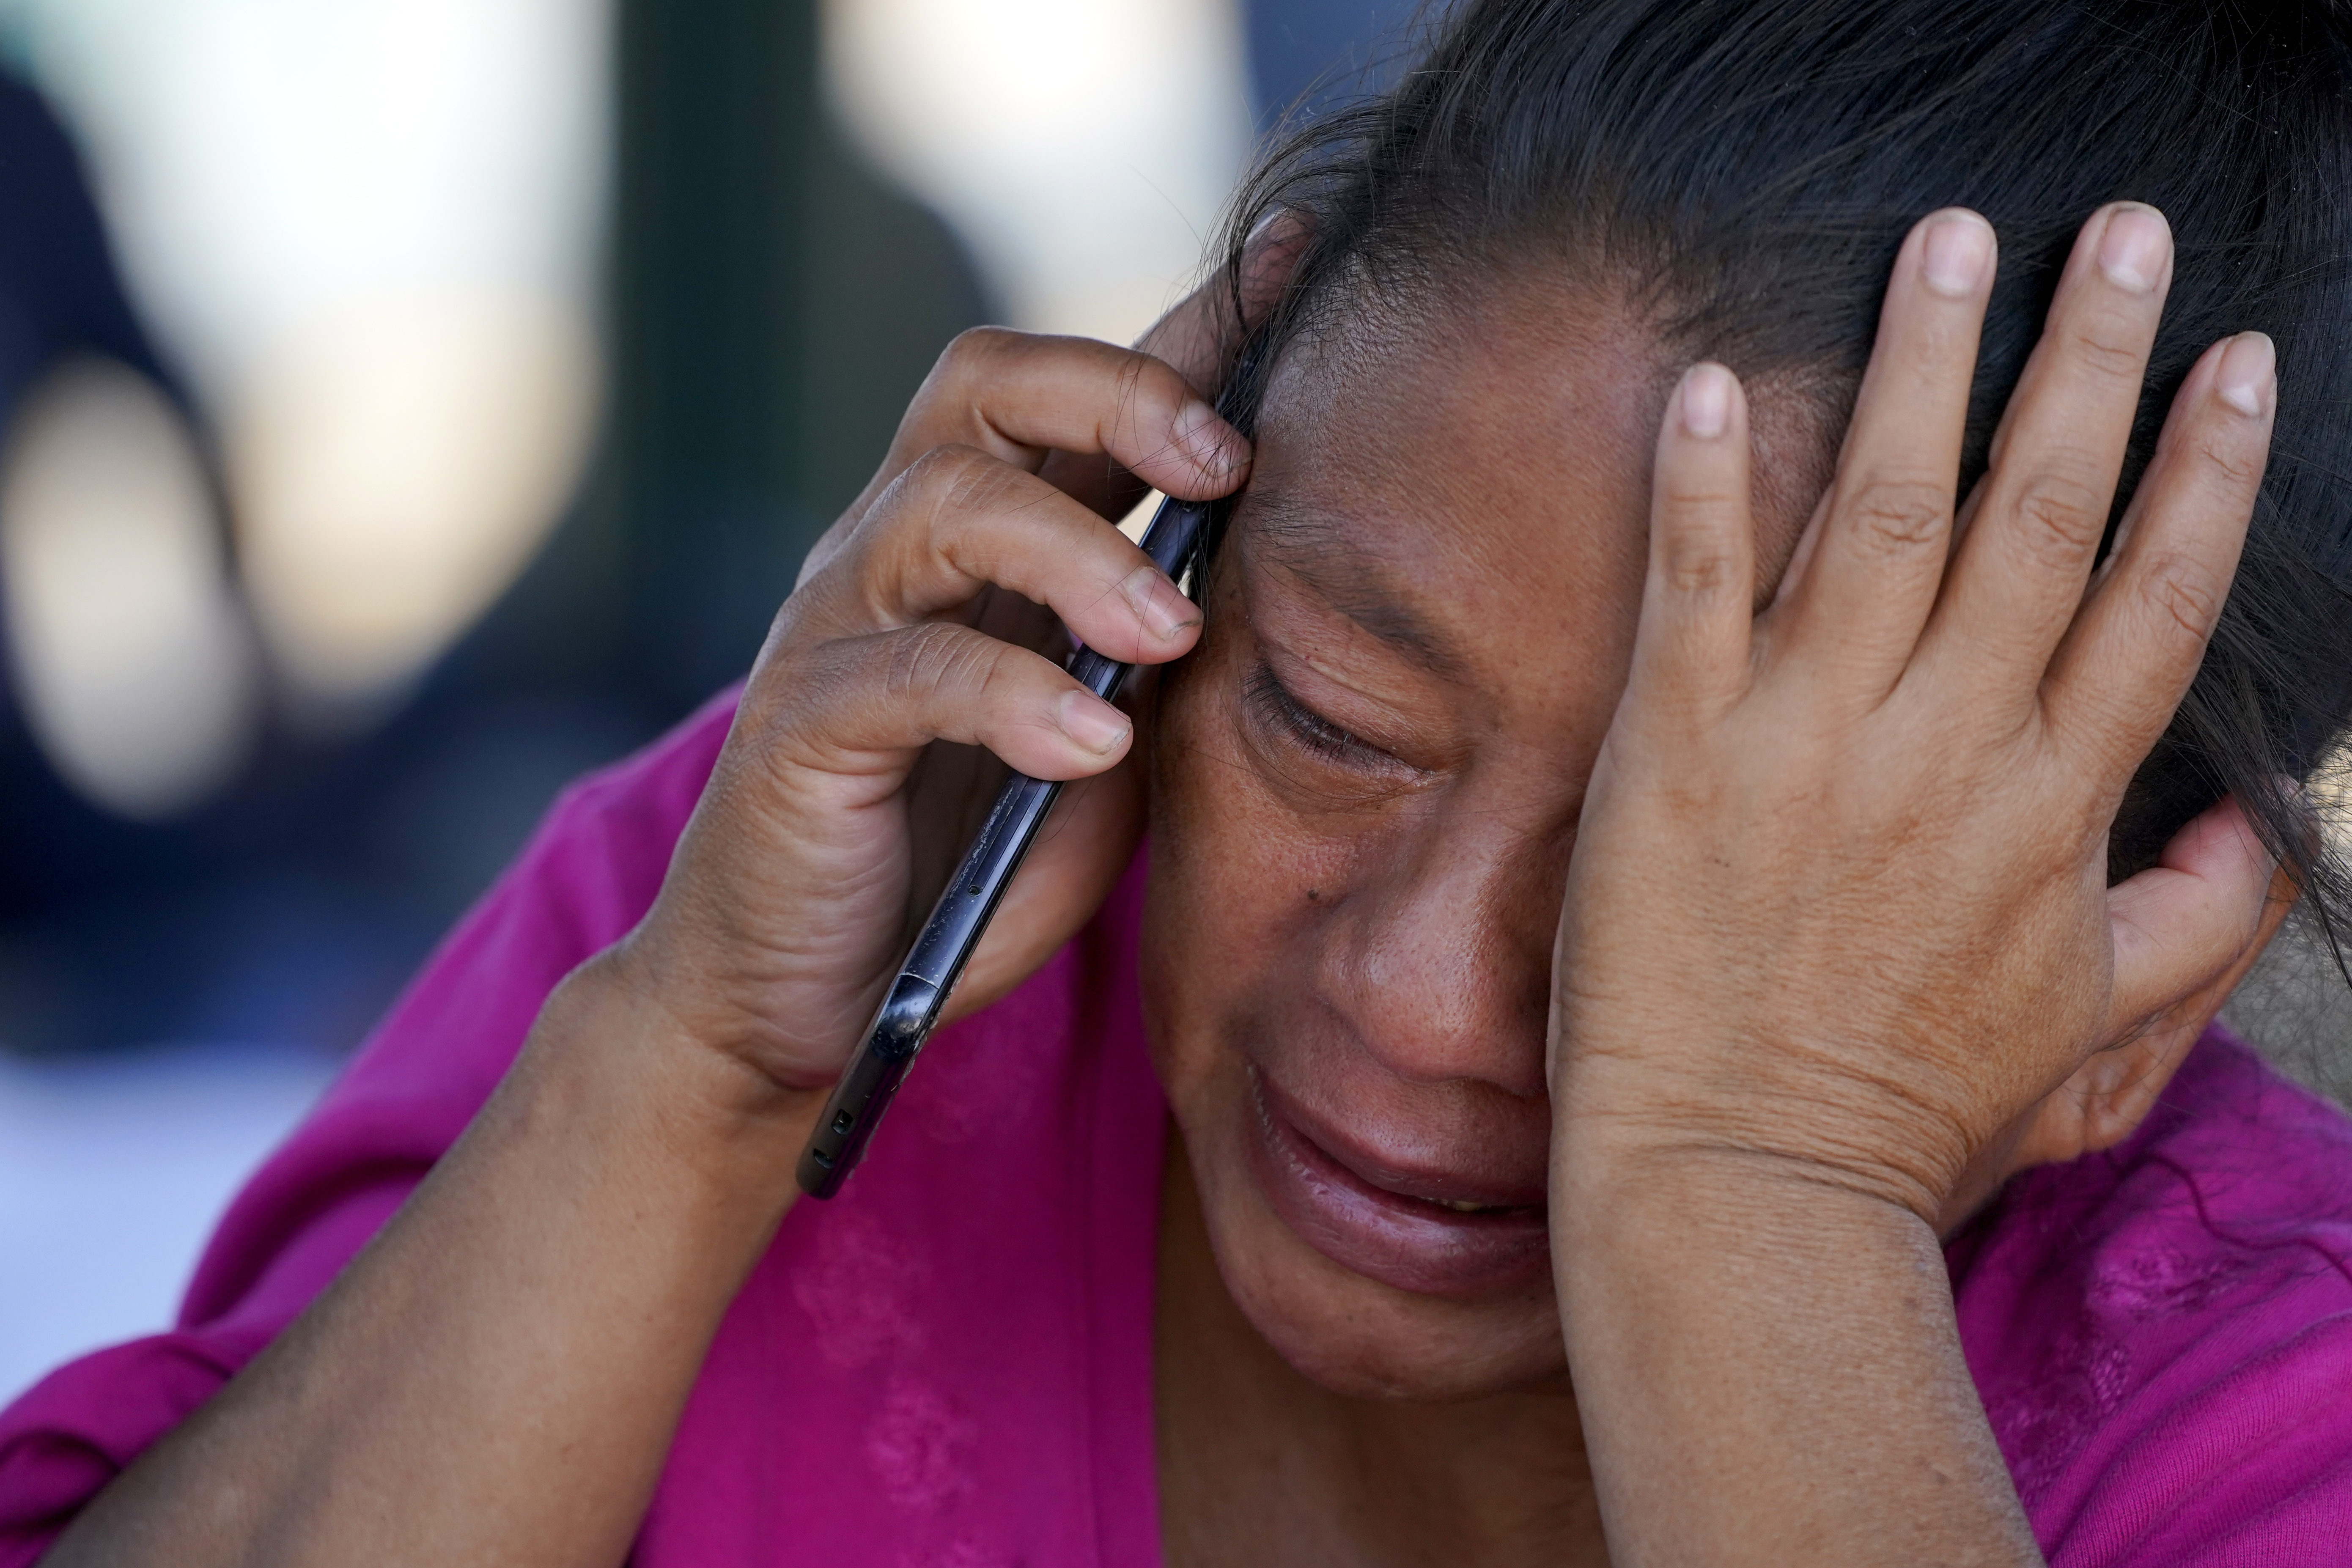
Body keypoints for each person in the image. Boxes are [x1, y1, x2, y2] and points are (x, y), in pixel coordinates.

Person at [7, 0, 2352, 1561]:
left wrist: (1758, 1199)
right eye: (1328, 717)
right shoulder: (822, 910)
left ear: (2135, 985)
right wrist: (689, 1076)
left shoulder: (2266, 1414)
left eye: (1710, 889)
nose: (1423, 1002)